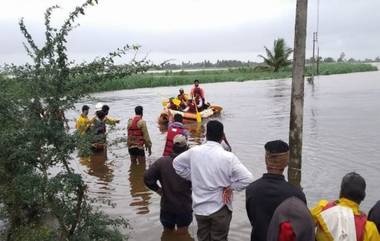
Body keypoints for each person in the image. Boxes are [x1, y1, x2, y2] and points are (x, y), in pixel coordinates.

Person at [173, 120, 254, 241]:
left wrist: (193, 177)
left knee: (203, 238)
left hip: (200, 208)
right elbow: (248, 178)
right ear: (222, 136)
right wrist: (231, 187)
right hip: (220, 207)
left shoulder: (194, 152)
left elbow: (176, 164)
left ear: (206, 135)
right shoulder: (228, 157)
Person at [245, 140, 306, 241]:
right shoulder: (296, 194)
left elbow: (252, 218)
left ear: (266, 160)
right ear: (286, 162)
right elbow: (300, 227)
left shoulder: (251, 189)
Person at [144, 135, 192, 234]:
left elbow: (147, 178)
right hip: (184, 207)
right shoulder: (190, 164)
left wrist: (159, 191)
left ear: (172, 147)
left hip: (167, 207)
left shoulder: (162, 162)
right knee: (183, 235)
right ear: (186, 148)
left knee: (167, 234)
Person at [311, 172, 380, 241]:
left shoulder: (322, 208)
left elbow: (304, 224)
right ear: (363, 197)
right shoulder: (369, 229)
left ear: (341, 191)